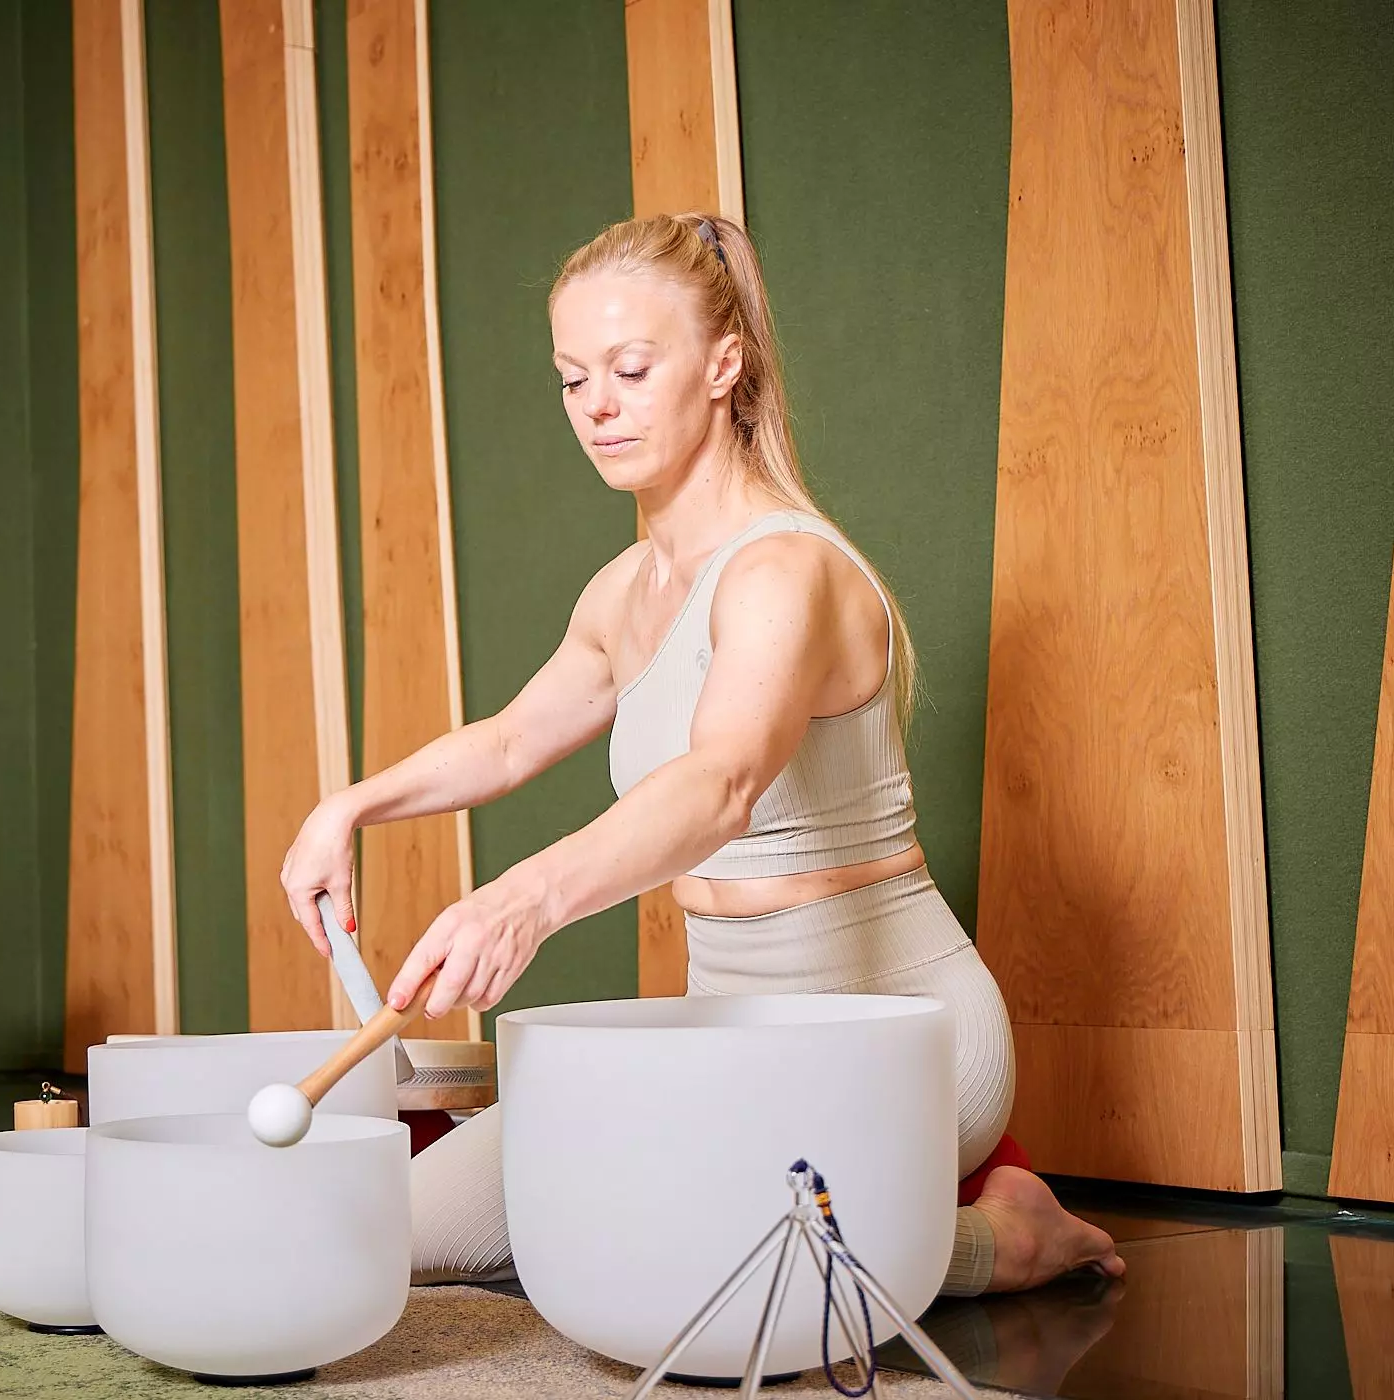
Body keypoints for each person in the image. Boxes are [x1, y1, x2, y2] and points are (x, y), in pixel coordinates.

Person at [279, 211, 1123, 1298]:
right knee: (391, 1228)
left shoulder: (785, 572)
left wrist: (523, 900)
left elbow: (723, 781)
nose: (598, 405)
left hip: (898, 1038)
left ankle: (1009, 1232)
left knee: (704, 1257)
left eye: (631, 367)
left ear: (725, 364)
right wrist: (348, 807)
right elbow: (505, 741)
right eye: (572, 377)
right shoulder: (624, 592)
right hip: (725, 1034)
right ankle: (923, 1213)